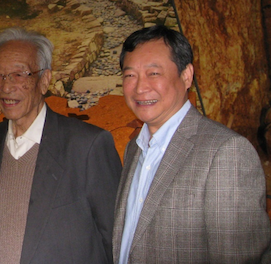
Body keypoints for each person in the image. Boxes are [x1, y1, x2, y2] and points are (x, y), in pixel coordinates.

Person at [113, 25, 271, 264]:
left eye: (153, 73)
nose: (140, 87)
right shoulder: (135, 147)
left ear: (186, 76)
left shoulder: (225, 152)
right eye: (130, 75)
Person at [0, 27, 122, 264]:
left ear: (45, 80)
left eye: (20, 75)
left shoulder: (87, 146)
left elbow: (117, 241)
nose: (6, 87)